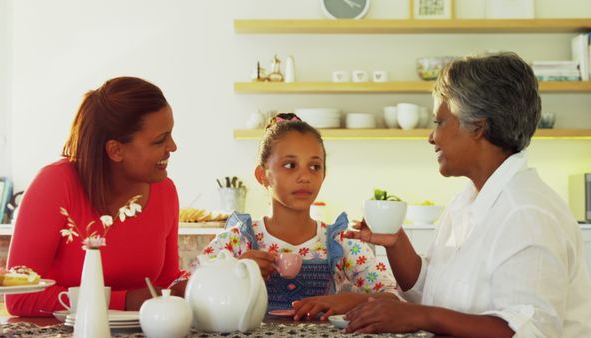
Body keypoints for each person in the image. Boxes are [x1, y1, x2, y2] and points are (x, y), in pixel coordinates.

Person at [344, 52, 591, 337]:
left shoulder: (526, 213)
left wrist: (419, 316)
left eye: (439, 123)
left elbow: (528, 330)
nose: (431, 137)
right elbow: (431, 292)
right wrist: (396, 242)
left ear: (478, 127)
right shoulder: (468, 200)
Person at [171, 113, 400, 320]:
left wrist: (350, 301)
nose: (304, 176)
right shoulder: (236, 240)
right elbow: (179, 292)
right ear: (262, 175)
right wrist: (233, 274)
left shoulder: (341, 242)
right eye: (290, 165)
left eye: (314, 166)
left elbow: (393, 298)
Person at [6, 76, 184, 316]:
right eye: (160, 140)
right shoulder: (55, 186)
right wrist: (125, 302)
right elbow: (19, 297)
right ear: (116, 150)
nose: (173, 146)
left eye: (170, 135)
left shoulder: (165, 191)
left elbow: (165, 284)